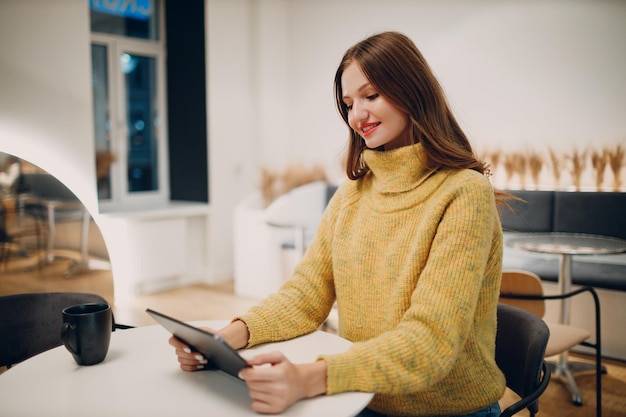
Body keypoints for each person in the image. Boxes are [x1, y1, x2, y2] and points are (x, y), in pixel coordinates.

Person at [169, 31, 506, 417]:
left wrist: (310, 378)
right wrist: (226, 339)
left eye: (371, 95)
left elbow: (431, 342)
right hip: (359, 393)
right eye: (348, 103)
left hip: (446, 408)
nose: (356, 116)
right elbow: (306, 295)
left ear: (412, 90)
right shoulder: (353, 193)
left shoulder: (465, 193)